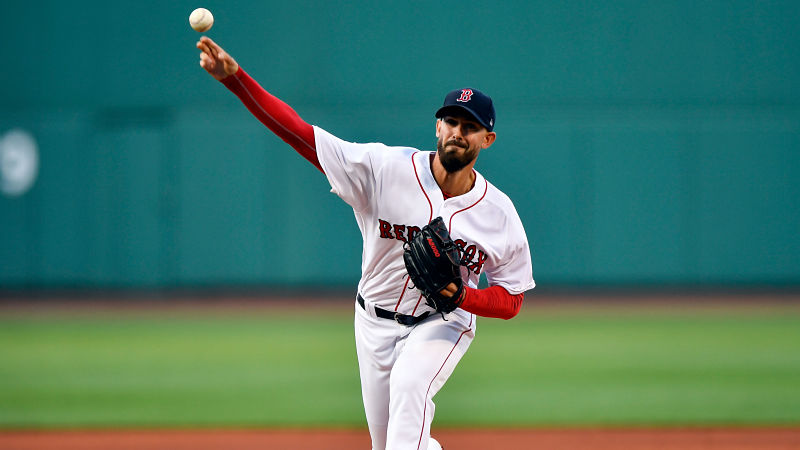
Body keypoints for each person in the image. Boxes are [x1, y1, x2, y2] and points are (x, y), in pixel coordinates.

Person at [196, 36, 535, 450]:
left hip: (443, 322)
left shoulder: (499, 213)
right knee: (391, 444)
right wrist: (236, 80)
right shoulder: (384, 168)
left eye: (470, 127)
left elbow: (512, 299)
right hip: (372, 322)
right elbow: (301, 135)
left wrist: (463, 297)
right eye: (450, 122)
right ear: (437, 126)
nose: (457, 133)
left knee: (411, 388)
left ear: (488, 139)